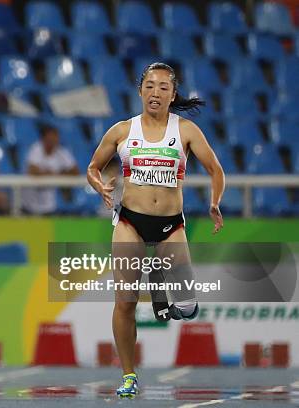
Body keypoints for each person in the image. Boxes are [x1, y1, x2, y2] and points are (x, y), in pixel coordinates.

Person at [86, 62, 225, 398]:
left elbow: (216, 170)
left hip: (170, 226)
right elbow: (92, 167)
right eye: (150, 85)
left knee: (189, 308)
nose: (156, 92)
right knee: (124, 302)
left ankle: (162, 286)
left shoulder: (186, 130)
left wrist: (215, 202)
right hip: (131, 222)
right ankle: (129, 375)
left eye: (164, 87)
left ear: (172, 94)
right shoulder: (122, 131)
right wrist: (100, 186)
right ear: (140, 91)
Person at [22, 125, 79, 214]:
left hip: (49, 205)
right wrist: (57, 174)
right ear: (43, 138)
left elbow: (75, 171)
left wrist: (54, 174)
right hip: (30, 204)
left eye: (55, 137)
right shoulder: (36, 149)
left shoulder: (61, 152)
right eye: (50, 137)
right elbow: (32, 170)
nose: (53, 140)